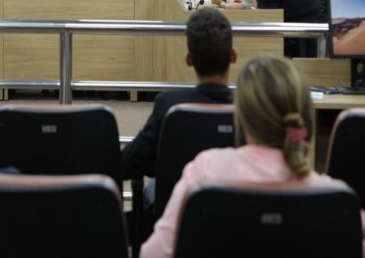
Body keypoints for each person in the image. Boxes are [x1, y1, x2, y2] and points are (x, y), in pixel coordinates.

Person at [139, 55, 365, 258]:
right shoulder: (337, 198)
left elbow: (153, 253)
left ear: (242, 117)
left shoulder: (203, 170)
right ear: (305, 117)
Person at [122, 8, 235, 234]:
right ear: (233, 56)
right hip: (232, 222)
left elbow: (131, 161)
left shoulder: (169, 105)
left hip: (174, 222)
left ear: (188, 60)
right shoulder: (250, 112)